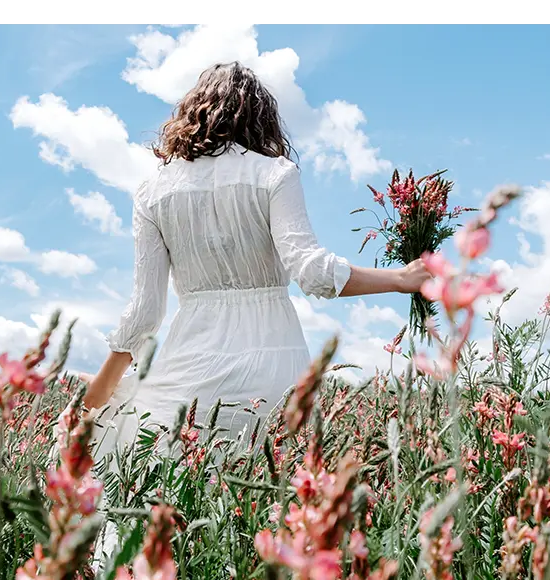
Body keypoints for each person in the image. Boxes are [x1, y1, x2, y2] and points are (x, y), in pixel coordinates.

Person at [81, 61, 430, 451]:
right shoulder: (275, 174)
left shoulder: (153, 192)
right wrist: (401, 280)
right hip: (273, 362)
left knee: (173, 491)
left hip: (189, 363)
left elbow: (145, 312)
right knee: (271, 495)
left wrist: (96, 399)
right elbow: (312, 272)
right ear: (261, 118)